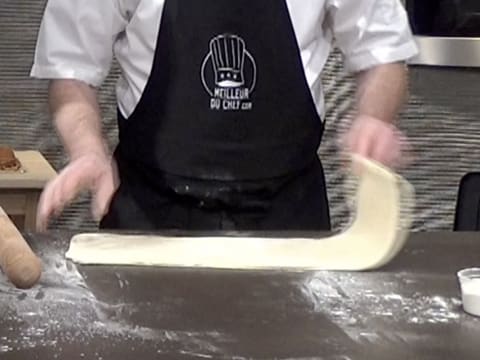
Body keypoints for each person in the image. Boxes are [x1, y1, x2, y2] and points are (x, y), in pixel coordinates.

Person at [31, 0, 418, 232]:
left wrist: (374, 117)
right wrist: (86, 151)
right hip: (149, 213)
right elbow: (71, 69)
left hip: (287, 218)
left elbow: (383, 54)